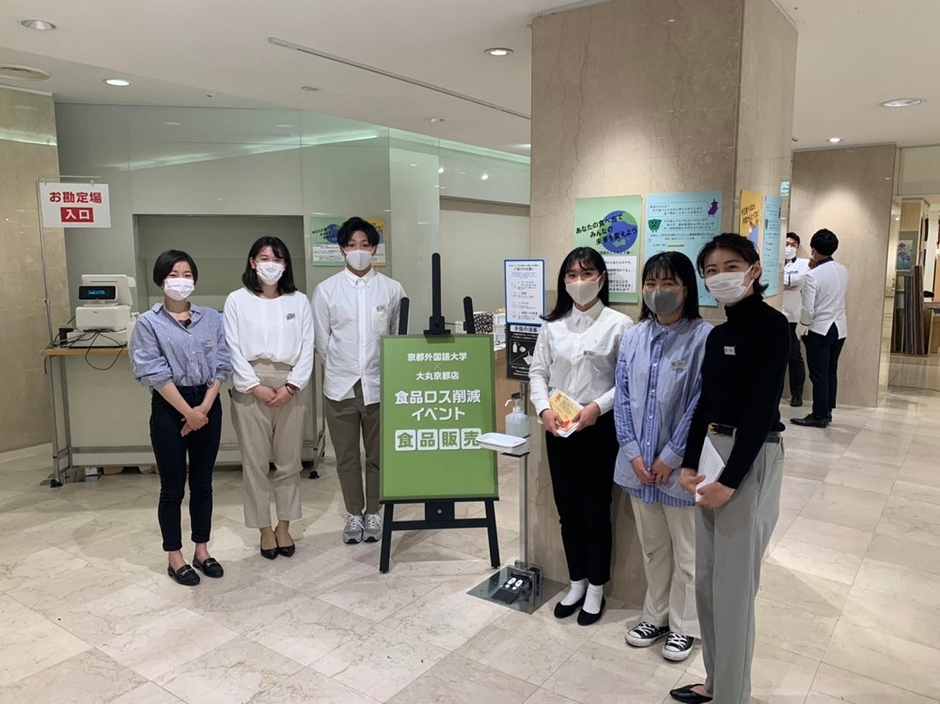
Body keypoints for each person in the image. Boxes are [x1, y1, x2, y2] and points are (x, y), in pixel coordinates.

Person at [670, 234, 789, 704]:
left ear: (754, 269)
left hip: (750, 456)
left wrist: (731, 481)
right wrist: (688, 463)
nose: (721, 276)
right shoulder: (719, 334)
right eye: (712, 270)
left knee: (735, 590)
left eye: (731, 266)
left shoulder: (772, 326)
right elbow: (705, 404)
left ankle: (732, 696)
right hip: (712, 453)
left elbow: (762, 410)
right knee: (708, 582)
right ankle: (716, 682)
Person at [614, 251, 711, 663]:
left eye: (668, 283)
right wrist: (633, 453)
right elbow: (622, 397)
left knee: (688, 554)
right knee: (653, 549)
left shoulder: (704, 337)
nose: (658, 291)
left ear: (687, 289)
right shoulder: (634, 336)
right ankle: (654, 616)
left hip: (681, 470)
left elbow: (702, 403)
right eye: (651, 283)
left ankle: (684, 626)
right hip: (638, 467)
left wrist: (671, 456)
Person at [529, 247, 632, 626]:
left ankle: (597, 588)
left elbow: (626, 381)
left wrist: (596, 408)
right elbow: (538, 372)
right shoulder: (552, 326)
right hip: (559, 428)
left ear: (602, 279)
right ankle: (576, 582)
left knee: (596, 511)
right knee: (567, 509)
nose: (578, 281)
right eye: (571, 275)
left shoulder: (620, 325)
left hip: (598, 428)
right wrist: (544, 409)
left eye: (586, 274)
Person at [130, 250, 232, 586]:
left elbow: (223, 363)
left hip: (208, 402)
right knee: (172, 486)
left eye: (187, 275)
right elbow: (152, 371)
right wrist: (188, 412)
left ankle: (202, 549)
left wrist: (203, 408)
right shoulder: (148, 323)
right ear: (160, 280)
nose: (181, 281)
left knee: (203, 482)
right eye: (174, 275)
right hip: (169, 405)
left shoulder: (211, 318)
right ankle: (175, 556)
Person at [312, 217, 406, 545]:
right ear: (342, 249)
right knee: (347, 456)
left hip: (379, 385)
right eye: (352, 245)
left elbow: (397, 337)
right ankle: (354, 512)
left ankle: (374, 511)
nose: (359, 250)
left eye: (365, 244)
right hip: (340, 387)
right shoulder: (326, 290)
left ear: (375, 249)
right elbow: (322, 341)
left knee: (378, 455)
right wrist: (343, 367)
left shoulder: (392, 289)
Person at [224, 237, 315, 560]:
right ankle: (264, 528)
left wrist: (291, 386)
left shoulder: (298, 301)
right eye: (264, 258)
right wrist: (254, 385)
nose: (270, 265)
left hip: (291, 384)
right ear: (252, 262)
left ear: (286, 265)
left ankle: (284, 525)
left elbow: (307, 346)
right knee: (255, 464)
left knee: (289, 462)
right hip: (250, 384)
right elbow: (231, 347)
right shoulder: (237, 300)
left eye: (277, 259)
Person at [792, 229, 849, 429]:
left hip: (819, 329)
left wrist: (801, 329)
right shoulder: (843, 269)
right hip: (839, 328)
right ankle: (827, 410)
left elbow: (808, 309)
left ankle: (819, 415)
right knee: (831, 371)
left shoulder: (812, 275)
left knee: (818, 374)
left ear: (813, 250)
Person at [782, 233, 810, 407]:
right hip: (776, 315)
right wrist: (786, 283)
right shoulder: (773, 262)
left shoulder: (804, 264)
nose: (789, 247)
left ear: (798, 247)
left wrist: (784, 282)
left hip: (793, 316)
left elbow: (798, 281)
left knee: (794, 355)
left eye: (793, 244)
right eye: (786, 243)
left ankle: (797, 394)